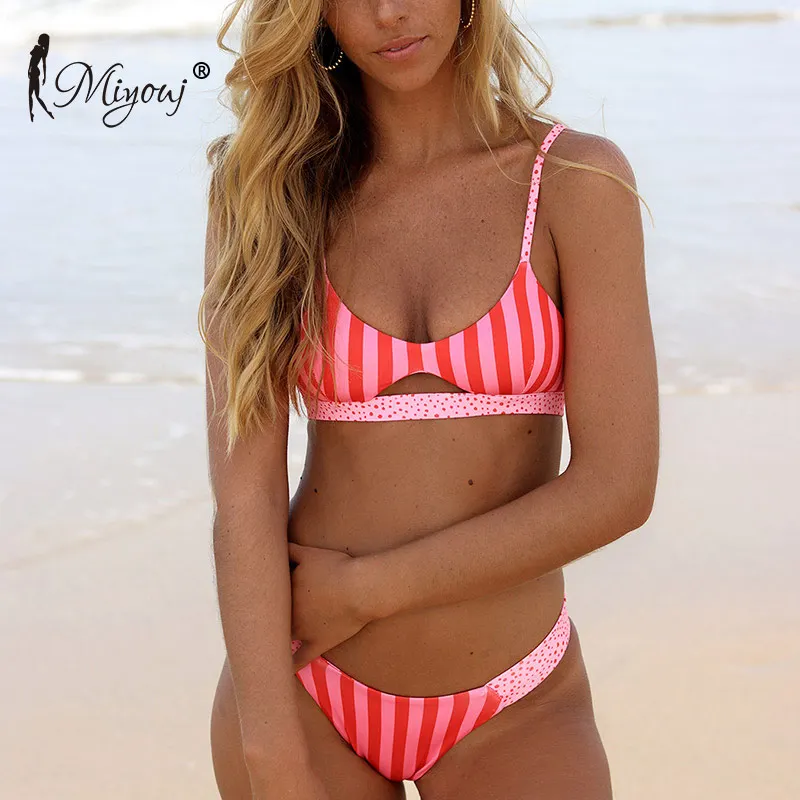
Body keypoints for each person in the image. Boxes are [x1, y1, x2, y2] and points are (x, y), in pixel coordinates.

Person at [201, 1, 660, 798]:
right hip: (305, 698)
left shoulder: (574, 182)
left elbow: (618, 487)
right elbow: (245, 495)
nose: (390, 12)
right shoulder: (270, 193)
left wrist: (368, 589)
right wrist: (271, 751)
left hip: (518, 705)